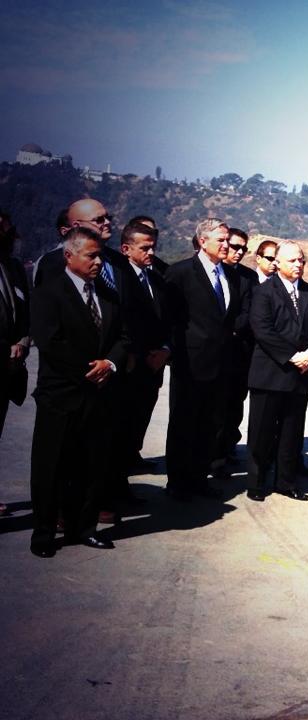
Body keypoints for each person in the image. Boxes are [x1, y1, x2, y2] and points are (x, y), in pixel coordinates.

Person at [29, 228, 129, 557]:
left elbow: (123, 337)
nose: (98, 262)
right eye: (91, 255)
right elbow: (50, 342)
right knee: (51, 467)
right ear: (68, 256)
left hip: (100, 397)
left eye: (100, 255)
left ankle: (84, 528)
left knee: (92, 466)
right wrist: (91, 369)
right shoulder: (49, 292)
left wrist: (110, 364)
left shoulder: (108, 295)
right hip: (61, 396)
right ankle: (43, 533)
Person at [164, 219, 249, 501]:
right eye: (221, 241)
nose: (226, 246)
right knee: (183, 424)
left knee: (209, 426)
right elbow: (171, 319)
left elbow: (231, 317)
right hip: (190, 364)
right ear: (203, 242)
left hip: (221, 366)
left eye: (228, 240)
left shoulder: (231, 276)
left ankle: (199, 478)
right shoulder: (180, 273)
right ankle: (177, 482)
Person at [246, 241, 308, 502]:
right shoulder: (263, 292)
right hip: (271, 373)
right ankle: (257, 482)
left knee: (292, 433)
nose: (298, 265)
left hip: (301, 375)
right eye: (292, 260)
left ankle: (286, 482)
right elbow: (263, 330)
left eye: (301, 260)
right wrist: (292, 356)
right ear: (278, 263)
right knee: (261, 432)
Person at [117, 220, 170, 477]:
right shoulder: (118, 277)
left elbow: (167, 318)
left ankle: (130, 461)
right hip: (130, 364)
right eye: (144, 248)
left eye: (153, 248)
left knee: (140, 419)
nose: (150, 253)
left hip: (153, 364)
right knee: (122, 423)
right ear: (126, 249)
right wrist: (133, 353)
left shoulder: (156, 278)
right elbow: (121, 320)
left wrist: (164, 350)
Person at [212, 228, 258, 474]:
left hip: (239, 351)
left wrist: (231, 329)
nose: (238, 252)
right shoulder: (213, 274)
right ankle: (212, 455)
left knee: (234, 405)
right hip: (212, 352)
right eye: (234, 247)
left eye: (243, 248)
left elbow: (250, 311)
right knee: (213, 407)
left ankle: (226, 449)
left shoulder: (248, 277)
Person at [0, 211, 30, 443]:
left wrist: (22, 342)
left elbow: (26, 313)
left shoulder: (14, 268)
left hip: (8, 371)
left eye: (6, 230)